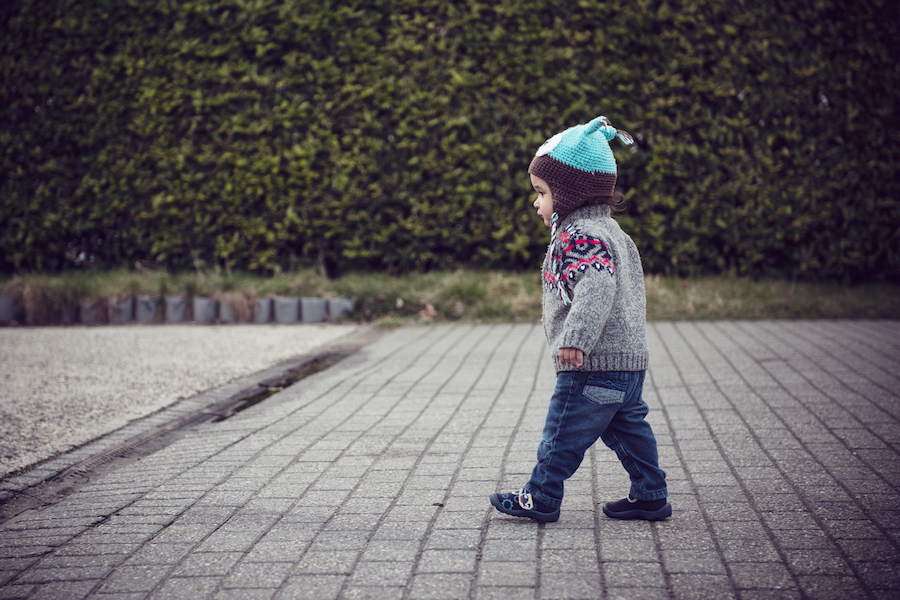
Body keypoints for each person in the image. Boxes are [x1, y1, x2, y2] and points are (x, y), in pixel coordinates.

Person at [490, 116, 671, 523]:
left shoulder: (580, 236)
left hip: (591, 364)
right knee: (628, 431)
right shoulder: (613, 232)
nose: (536, 203)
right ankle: (650, 494)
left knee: (563, 433)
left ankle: (541, 496)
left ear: (568, 193)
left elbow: (596, 289)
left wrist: (576, 339)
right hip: (627, 364)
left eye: (541, 193)